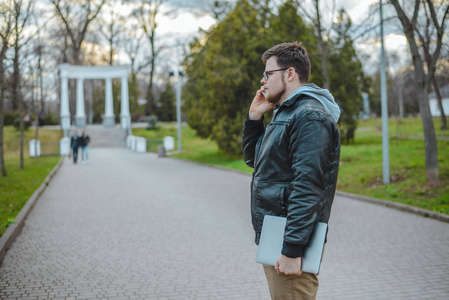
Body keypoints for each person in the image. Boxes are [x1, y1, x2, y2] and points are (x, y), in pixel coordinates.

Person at [242, 42, 341, 300]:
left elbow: (308, 187)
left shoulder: (309, 117)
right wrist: (254, 118)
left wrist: (292, 250)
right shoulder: (288, 113)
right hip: (276, 238)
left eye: (268, 74)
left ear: (290, 74)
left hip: (288, 244)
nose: (262, 81)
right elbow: (256, 160)